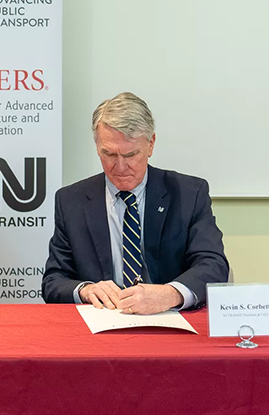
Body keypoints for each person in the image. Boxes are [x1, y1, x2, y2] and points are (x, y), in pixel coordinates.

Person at [42, 92, 229, 314]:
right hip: (100, 324)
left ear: (150, 145)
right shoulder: (71, 201)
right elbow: (53, 281)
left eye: (131, 155)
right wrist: (84, 289)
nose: (120, 167)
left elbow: (213, 265)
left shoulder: (189, 194)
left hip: (168, 320)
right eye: (109, 154)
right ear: (97, 147)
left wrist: (170, 294)